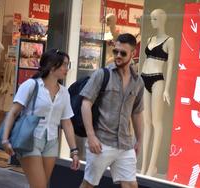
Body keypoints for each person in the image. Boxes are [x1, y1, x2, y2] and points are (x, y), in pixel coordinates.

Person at [1, 49, 80, 188]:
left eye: (68, 65)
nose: (66, 68)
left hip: (51, 142)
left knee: (41, 185)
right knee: (40, 186)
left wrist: (74, 151)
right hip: (30, 139)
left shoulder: (64, 92)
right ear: (51, 65)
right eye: (63, 64)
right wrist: (5, 139)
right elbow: (13, 112)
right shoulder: (31, 85)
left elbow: (66, 122)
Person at [79, 33, 144, 188]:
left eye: (123, 53)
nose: (118, 56)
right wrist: (91, 136)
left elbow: (137, 113)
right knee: (89, 184)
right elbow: (86, 103)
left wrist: (140, 140)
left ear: (133, 54)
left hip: (125, 144)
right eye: (116, 51)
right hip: (101, 142)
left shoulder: (138, 81)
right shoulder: (102, 74)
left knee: (130, 185)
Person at [140, 9, 175, 176]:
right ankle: (144, 166)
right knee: (146, 123)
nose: (152, 21)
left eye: (155, 18)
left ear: (162, 19)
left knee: (156, 122)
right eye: (151, 18)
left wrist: (167, 89)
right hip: (144, 78)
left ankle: (152, 166)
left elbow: (170, 67)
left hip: (157, 81)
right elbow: (145, 61)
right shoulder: (149, 39)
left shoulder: (170, 41)